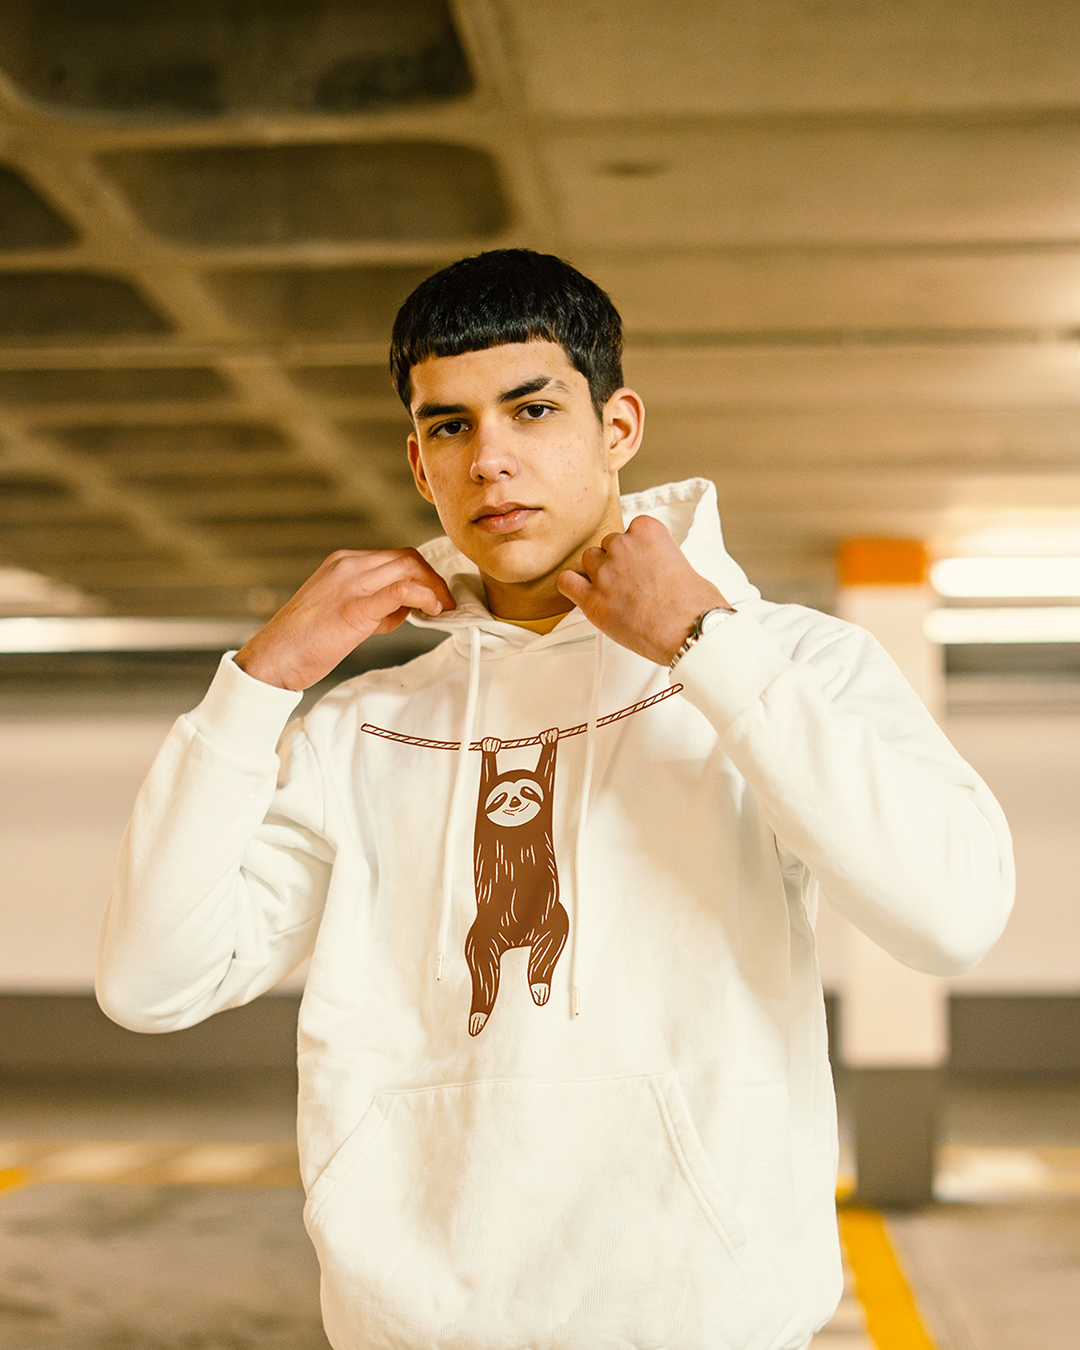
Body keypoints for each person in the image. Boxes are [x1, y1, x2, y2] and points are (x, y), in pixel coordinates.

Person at [97, 249, 1014, 1350]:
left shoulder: (784, 662)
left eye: (532, 410)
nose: (490, 460)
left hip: (700, 1322)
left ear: (617, 427)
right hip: (414, 1328)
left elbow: (951, 918)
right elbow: (153, 983)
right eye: (451, 426)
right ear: (420, 462)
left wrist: (705, 646)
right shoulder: (364, 726)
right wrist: (259, 684)